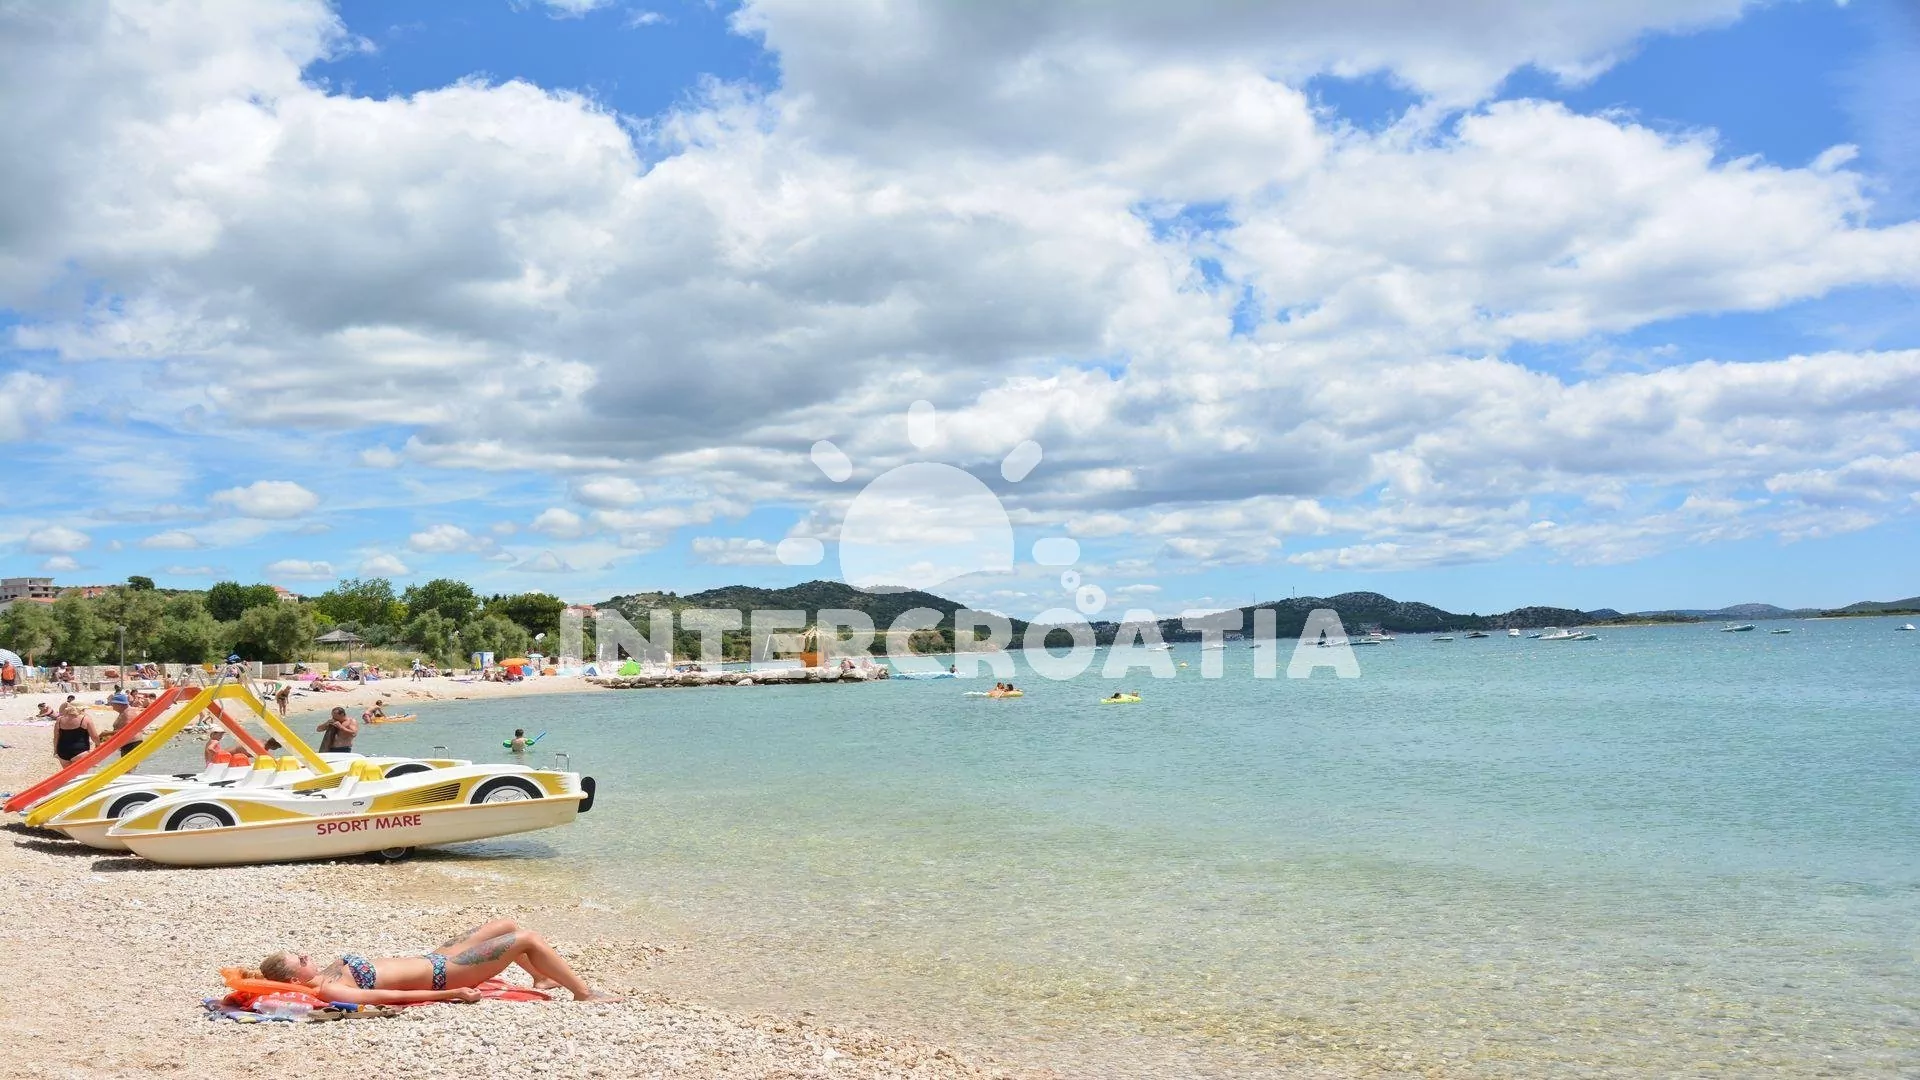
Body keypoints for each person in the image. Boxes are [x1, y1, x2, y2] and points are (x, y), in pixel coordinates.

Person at [250, 918, 617, 1004]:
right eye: (299, 959)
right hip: (446, 975)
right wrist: (453, 993)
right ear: (295, 980)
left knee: (505, 925)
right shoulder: (332, 990)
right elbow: (388, 997)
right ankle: (583, 993)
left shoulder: (328, 973)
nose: (305, 955)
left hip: (436, 959)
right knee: (527, 939)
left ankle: (541, 978)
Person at [53, 698, 97, 764]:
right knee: (82, 770)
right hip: (80, 751)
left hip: (62, 751)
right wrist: (98, 745)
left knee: (69, 771)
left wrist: (55, 750)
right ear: (81, 709)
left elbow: (56, 737)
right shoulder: (85, 719)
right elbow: (94, 736)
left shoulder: (59, 719)